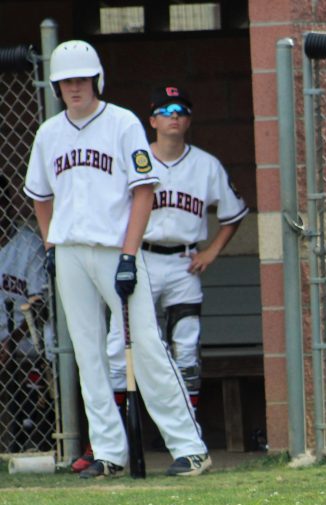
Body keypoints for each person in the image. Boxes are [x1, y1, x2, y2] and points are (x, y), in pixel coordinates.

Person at [23, 40, 210, 478]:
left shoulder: (122, 123)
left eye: (82, 79)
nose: (74, 88)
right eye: (66, 81)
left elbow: (143, 191)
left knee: (146, 344)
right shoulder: (49, 133)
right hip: (70, 251)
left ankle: (190, 446)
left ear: (96, 80)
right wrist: (50, 246)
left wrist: (129, 254)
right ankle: (109, 451)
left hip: (115, 249)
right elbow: (41, 196)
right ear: (56, 85)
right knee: (87, 353)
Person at [105, 85, 248, 413]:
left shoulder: (206, 165)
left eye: (181, 112)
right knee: (118, 345)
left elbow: (234, 213)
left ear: (188, 121)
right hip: (141, 258)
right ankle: (120, 430)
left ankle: (188, 426)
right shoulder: (135, 161)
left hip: (184, 262)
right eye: (166, 112)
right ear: (152, 120)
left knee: (185, 346)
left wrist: (212, 251)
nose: (174, 117)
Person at [0, 174, 54, 452]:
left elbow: (39, 303)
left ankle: (35, 434)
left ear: (8, 206)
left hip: (23, 338)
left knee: (45, 341)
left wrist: (9, 341)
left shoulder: (28, 244)